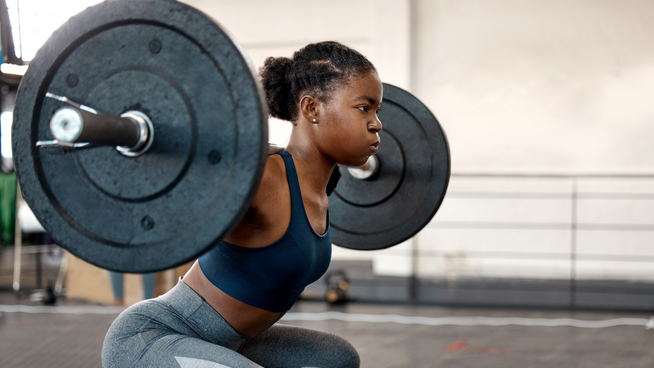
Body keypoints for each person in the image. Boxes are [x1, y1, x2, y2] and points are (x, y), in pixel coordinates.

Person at [102, 41, 382, 368]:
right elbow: (180, 199)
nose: (376, 123)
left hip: (234, 343)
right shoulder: (261, 176)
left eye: (378, 111)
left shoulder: (320, 189)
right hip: (153, 337)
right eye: (364, 108)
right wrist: (212, 158)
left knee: (337, 359)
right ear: (311, 109)